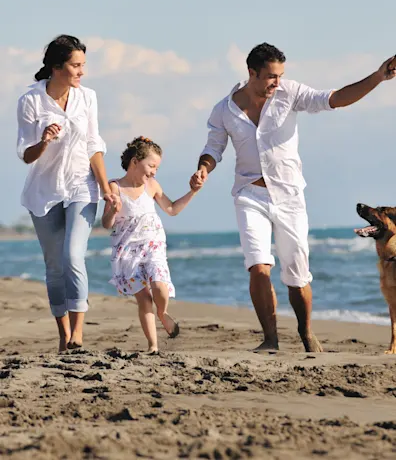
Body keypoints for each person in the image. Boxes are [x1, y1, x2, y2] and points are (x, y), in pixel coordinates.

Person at [190, 42, 396, 353]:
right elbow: (213, 147)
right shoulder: (225, 109)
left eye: (280, 75)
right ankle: (270, 339)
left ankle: (306, 332)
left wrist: (378, 76)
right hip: (250, 194)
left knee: (297, 275)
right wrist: (203, 169)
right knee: (258, 265)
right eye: (271, 76)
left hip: (289, 196)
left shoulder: (290, 93)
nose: (277, 82)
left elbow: (336, 99)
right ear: (252, 73)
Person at [17, 34, 118, 353]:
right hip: (44, 192)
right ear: (56, 67)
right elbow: (25, 154)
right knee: (54, 265)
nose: (81, 72)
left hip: (80, 185)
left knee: (73, 256)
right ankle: (63, 335)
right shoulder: (31, 100)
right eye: (76, 66)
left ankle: (78, 335)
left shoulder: (87, 97)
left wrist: (104, 187)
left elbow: (93, 144)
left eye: (83, 65)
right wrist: (44, 140)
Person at [102, 136, 202, 355]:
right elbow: (106, 223)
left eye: (157, 167)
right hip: (127, 252)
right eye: (152, 165)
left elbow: (172, 209)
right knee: (145, 299)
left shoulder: (152, 185)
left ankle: (163, 312)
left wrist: (193, 191)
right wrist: (113, 209)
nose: (154, 171)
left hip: (153, 246)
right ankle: (153, 346)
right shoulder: (115, 186)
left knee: (159, 285)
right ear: (135, 161)